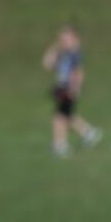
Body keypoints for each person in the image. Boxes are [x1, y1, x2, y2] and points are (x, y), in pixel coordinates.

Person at [42, 25, 101, 157]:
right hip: (62, 87)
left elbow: (78, 72)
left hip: (68, 88)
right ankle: (88, 133)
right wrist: (56, 47)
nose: (63, 41)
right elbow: (47, 63)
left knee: (59, 116)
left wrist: (74, 88)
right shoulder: (65, 55)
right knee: (65, 115)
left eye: (66, 38)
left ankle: (61, 145)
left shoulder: (74, 55)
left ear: (74, 39)